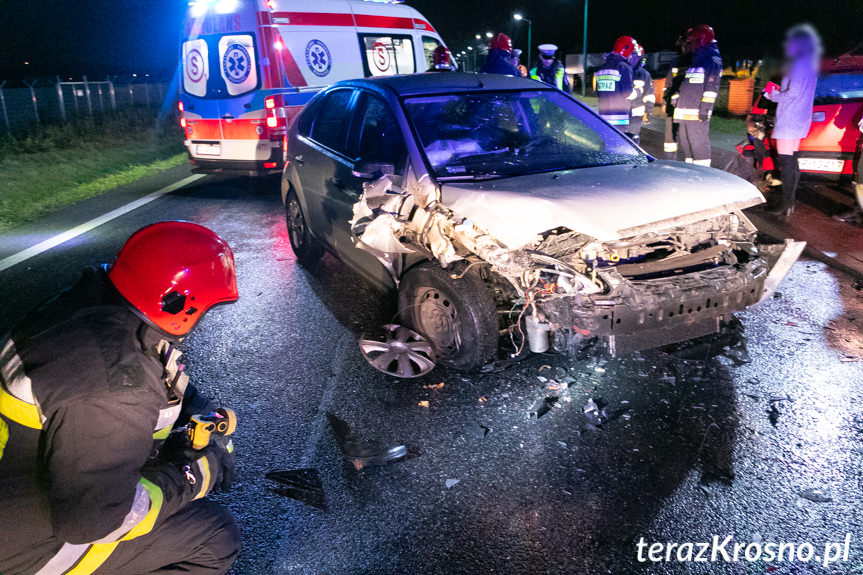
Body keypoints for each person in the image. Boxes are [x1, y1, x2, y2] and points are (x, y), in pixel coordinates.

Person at [0, 221, 241, 575]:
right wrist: (196, 472)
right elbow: (95, 521)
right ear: (180, 305)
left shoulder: (86, 306)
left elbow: (151, 363)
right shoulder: (115, 390)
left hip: (19, 488)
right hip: (25, 547)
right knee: (215, 537)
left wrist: (195, 409)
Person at [763, 24, 822, 215]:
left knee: (786, 161)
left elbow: (793, 92)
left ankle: (786, 202)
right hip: (800, 118)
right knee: (792, 160)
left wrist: (773, 95)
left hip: (790, 118)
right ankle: (789, 201)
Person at [673, 24, 722, 166]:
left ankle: (702, 175)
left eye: (692, 41)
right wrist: (677, 96)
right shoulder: (697, 60)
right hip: (685, 110)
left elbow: (711, 88)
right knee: (687, 145)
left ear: (700, 40)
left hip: (696, 113)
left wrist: (705, 110)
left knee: (698, 145)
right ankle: (690, 171)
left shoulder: (712, 61)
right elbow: (688, 84)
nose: (690, 45)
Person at [597, 36, 639, 129]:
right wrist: (638, 91)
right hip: (619, 119)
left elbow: (598, 93)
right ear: (627, 51)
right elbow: (628, 93)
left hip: (603, 117)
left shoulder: (601, 68)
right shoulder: (624, 67)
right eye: (632, 53)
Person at [663, 35, 691, 159]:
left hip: (686, 105)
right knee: (670, 135)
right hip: (672, 105)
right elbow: (668, 83)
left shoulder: (695, 62)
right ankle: (670, 161)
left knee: (686, 136)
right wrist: (666, 101)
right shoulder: (678, 61)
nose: (682, 48)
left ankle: (686, 162)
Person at [628, 43, 655, 143]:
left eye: (636, 55)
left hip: (636, 113)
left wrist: (648, 112)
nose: (634, 58)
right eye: (632, 54)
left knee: (633, 139)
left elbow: (649, 94)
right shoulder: (622, 71)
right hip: (622, 112)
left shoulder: (644, 74)